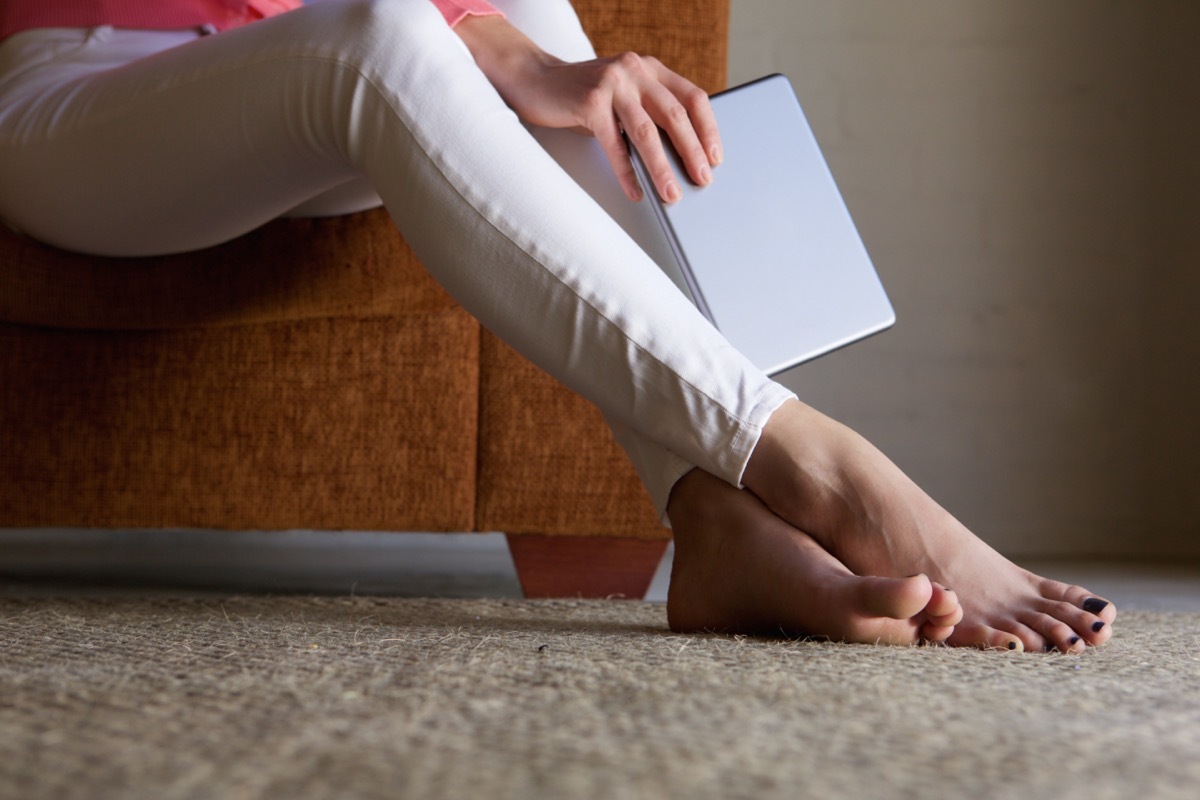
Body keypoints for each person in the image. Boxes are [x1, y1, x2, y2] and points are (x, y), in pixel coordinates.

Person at [0, 0, 1117, 651]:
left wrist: (512, 48)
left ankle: (715, 518)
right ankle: (810, 459)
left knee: (522, 20)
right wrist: (496, 54)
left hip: (300, 60)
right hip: (77, 81)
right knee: (397, 30)